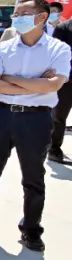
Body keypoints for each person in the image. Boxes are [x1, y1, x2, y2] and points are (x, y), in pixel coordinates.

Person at [0, 0, 70, 251]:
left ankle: (31, 230)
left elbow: (54, 84)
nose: (17, 18)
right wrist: (35, 83)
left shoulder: (58, 49)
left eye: (23, 13)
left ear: (42, 17)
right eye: (16, 14)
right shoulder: (4, 48)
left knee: (33, 178)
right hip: (1, 115)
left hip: (36, 119)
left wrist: (10, 79)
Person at [49, 11, 72, 164]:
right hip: (67, 80)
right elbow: (56, 54)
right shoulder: (63, 28)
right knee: (59, 116)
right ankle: (53, 149)